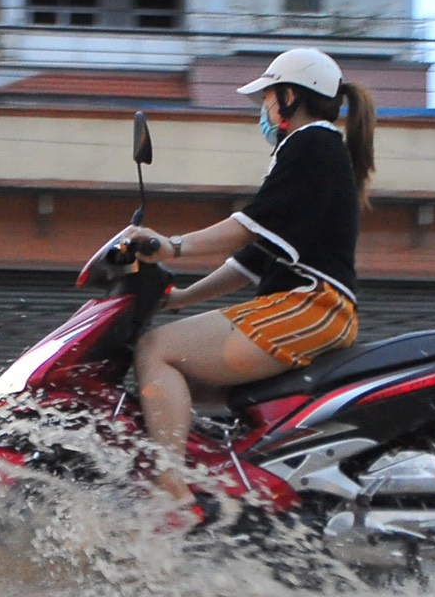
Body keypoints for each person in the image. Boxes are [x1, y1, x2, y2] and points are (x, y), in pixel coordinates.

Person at [131, 47, 374, 508]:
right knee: (169, 387)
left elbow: (249, 224)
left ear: (286, 97)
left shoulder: (312, 143)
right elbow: (253, 259)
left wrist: (172, 246)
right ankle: (235, 498)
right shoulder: (313, 151)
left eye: (265, 98)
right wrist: (181, 297)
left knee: (155, 350)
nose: (261, 110)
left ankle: (172, 493)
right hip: (307, 307)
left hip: (311, 306)